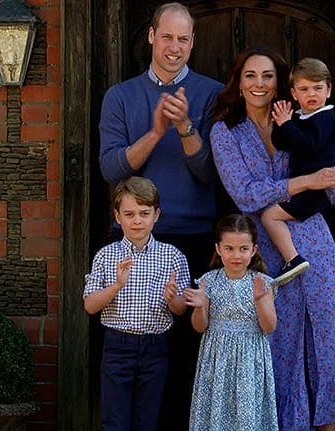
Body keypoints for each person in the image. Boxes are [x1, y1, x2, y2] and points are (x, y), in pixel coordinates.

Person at [209, 46, 335, 431]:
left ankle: (329, 425)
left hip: (315, 237)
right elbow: (245, 194)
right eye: (250, 76)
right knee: (280, 344)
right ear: (238, 83)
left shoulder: (301, 118)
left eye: (267, 76)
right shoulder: (225, 131)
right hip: (265, 248)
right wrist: (309, 181)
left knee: (327, 340)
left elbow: (334, 190)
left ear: (282, 85)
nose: (259, 84)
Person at [97, 3, 223, 428]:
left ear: (193, 42)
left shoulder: (212, 94)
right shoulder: (121, 96)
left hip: (191, 238)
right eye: (166, 37)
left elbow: (209, 173)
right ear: (151, 36)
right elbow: (112, 169)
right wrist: (154, 132)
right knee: (128, 355)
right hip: (133, 240)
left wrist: (186, 127)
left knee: (185, 354)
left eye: (183, 39)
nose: (174, 47)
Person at [83, 176, 189, 431]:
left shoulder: (172, 256)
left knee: (147, 420)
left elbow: (181, 309)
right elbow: (90, 305)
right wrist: (117, 286)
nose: (137, 221)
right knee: (114, 420)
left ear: (156, 215)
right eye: (129, 214)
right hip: (117, 346)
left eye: (144, 213)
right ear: (118, 217)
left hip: (155, 346)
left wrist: (173, 298)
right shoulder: (106, 255)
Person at [263, 57, 335, 286]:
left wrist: (287, 124)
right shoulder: (302, 117)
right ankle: (334, 274)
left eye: (318, 88)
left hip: (313, 190)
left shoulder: (326, 118)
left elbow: (309, 145)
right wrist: (280, 123)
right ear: (294, 94)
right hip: (305, 187)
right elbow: (281, 142)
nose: (311, 94)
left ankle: (292, 260)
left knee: (270, 216)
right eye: (304, 89)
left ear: (328, 90)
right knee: (318, 231)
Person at [183, 214, 279, 431]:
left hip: (250, 360)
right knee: (216, 415)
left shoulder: (262, 283)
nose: (236, 255)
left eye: (243, 249)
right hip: (217, 359)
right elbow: (199, 327)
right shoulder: (209, 281)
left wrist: (260, 301)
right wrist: (199, 306)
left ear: (253, 249)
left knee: (247, 417)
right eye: (229, 248)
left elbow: (269, 327)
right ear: (218, 248)